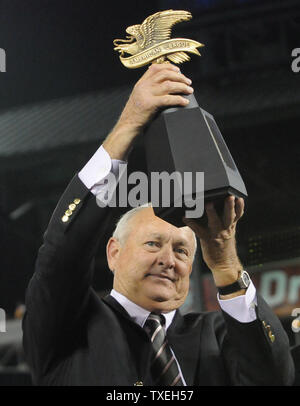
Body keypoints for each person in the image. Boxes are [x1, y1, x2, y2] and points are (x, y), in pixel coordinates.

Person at [22, 63, 294, 386]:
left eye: (181, 250)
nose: (168, 260)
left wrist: (225, 264)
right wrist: (128, 125)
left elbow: (274, 379)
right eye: (152, 243)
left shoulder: (219, 335)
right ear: (113, 252)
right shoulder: (70, 326)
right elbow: (61, 256)